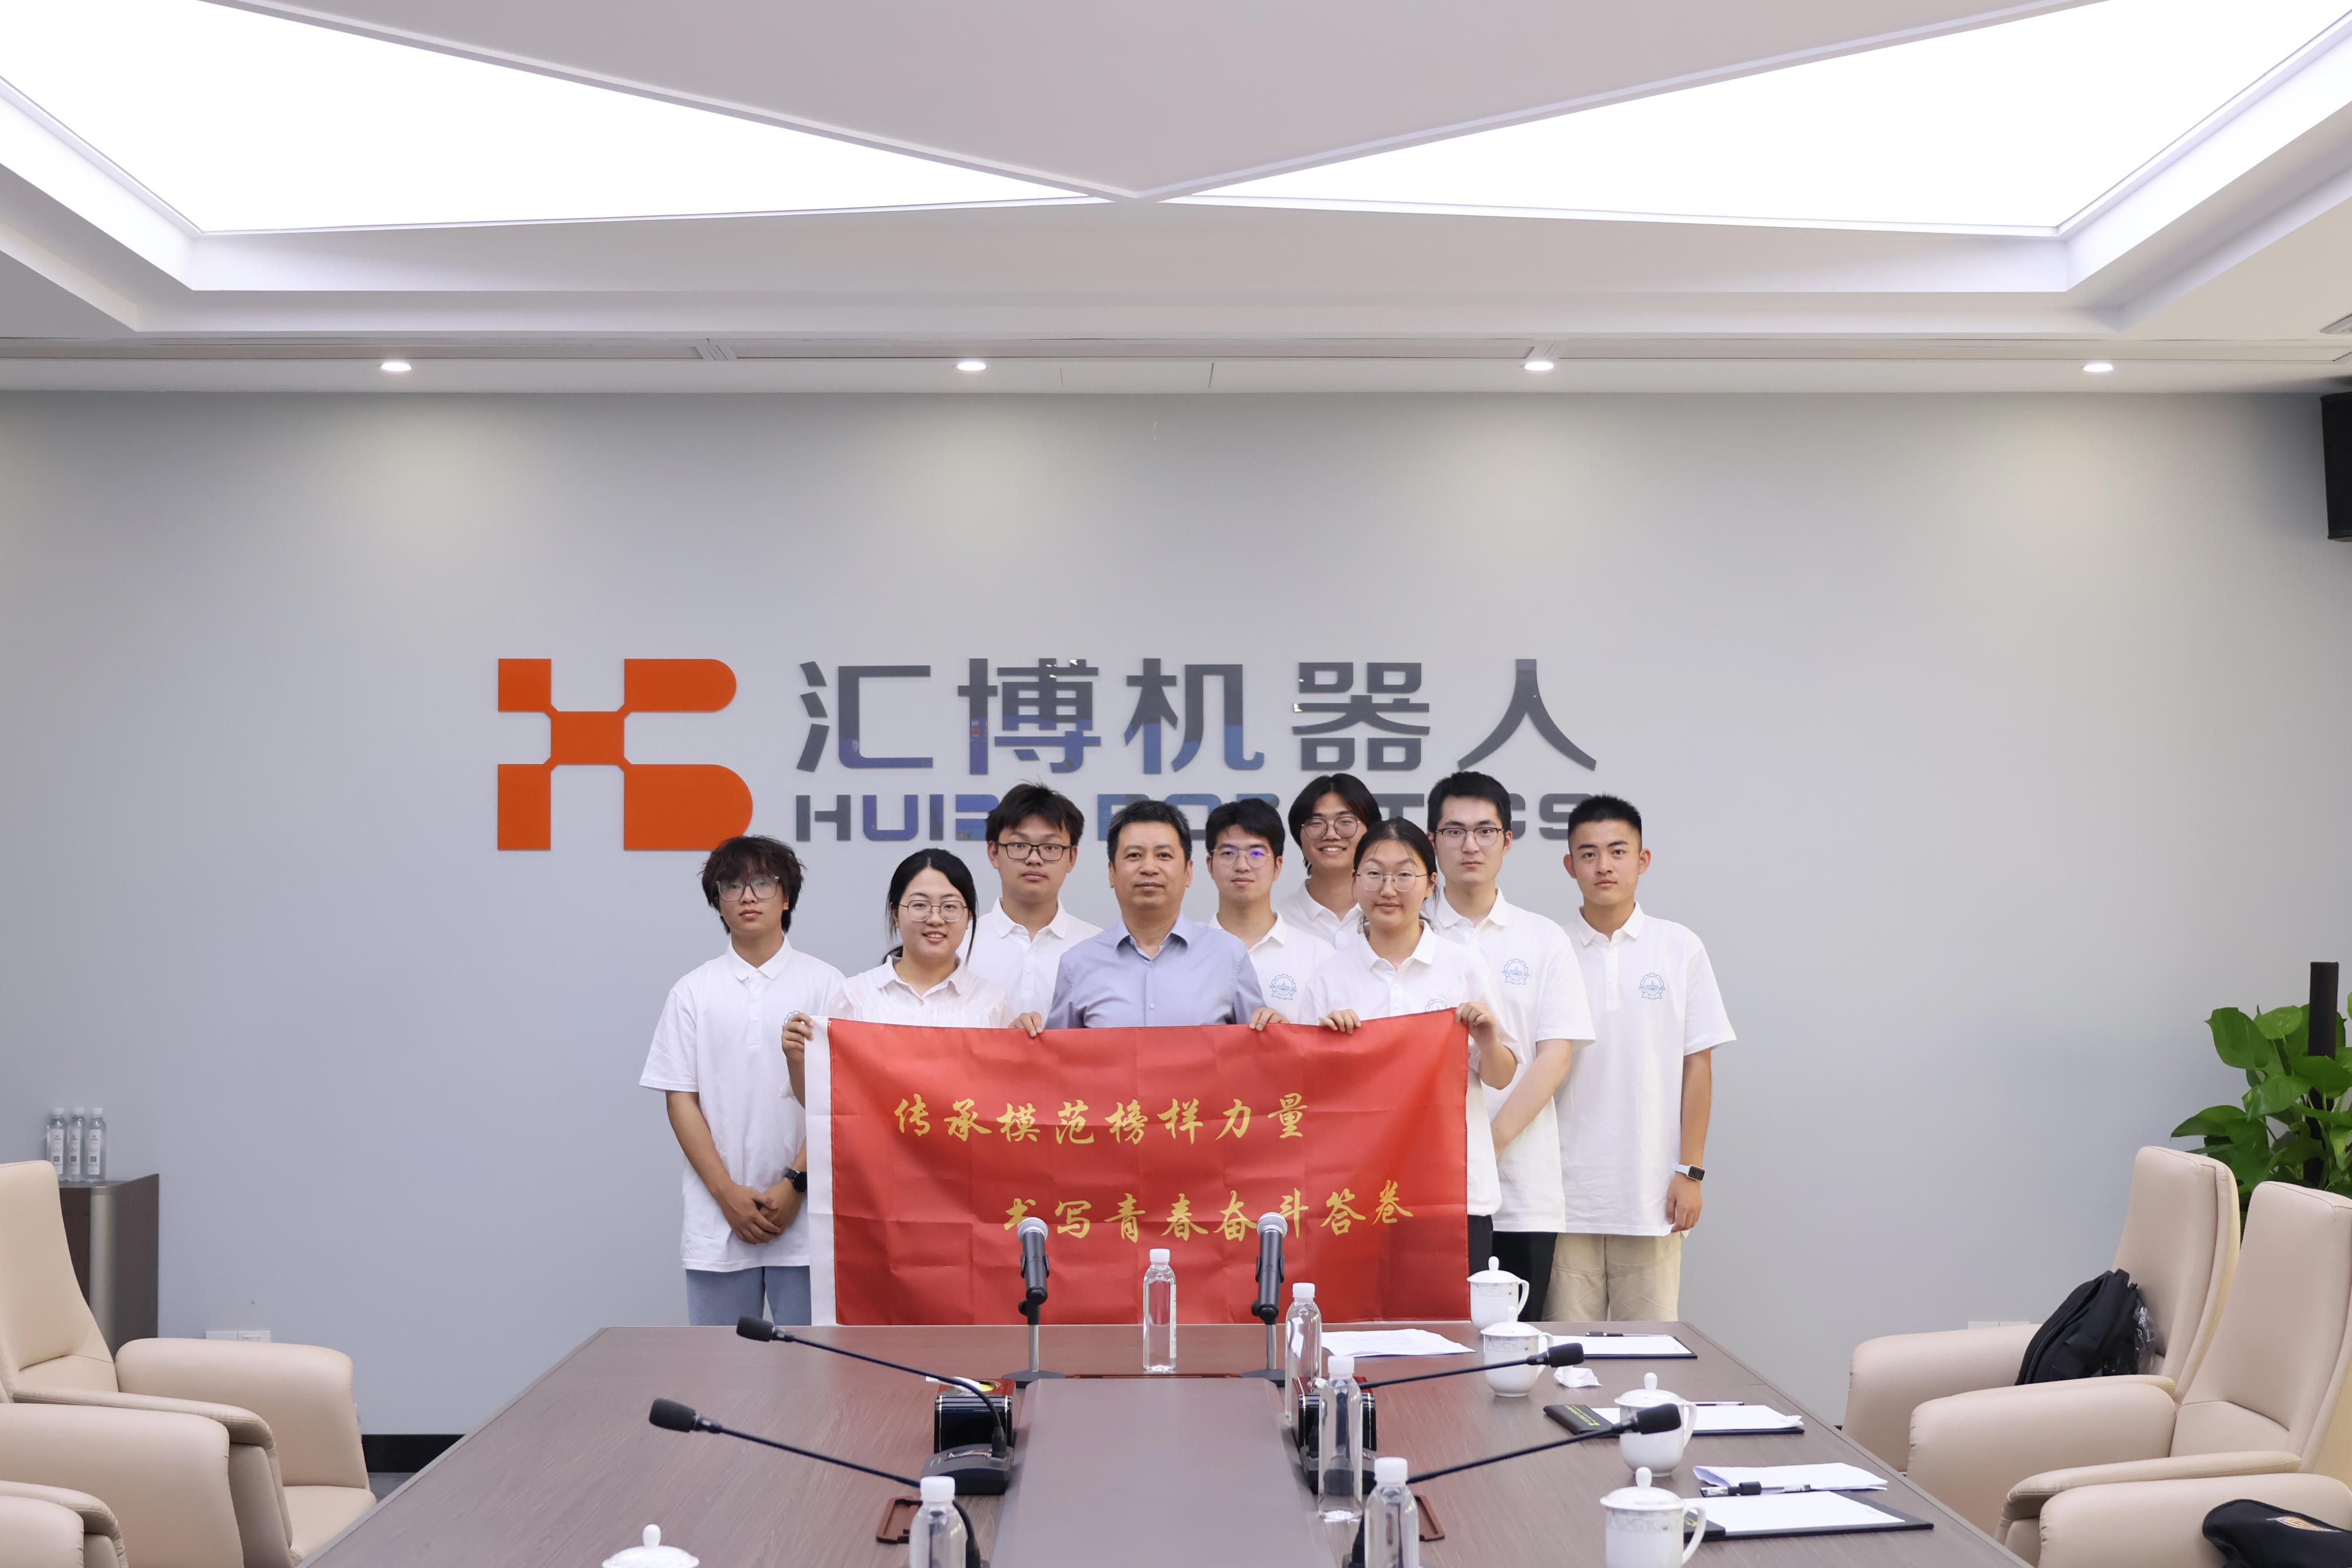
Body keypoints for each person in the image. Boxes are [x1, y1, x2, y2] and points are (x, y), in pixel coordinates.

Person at [1298, 818, 1520, 1273]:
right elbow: (1305, 1097)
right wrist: (1325, 1049)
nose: (1388, 889)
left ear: (1430, 883)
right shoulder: (1330, 977)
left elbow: (1500, 1076)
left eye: (1404, 874)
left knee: (1452, 1320)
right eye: (1374, 873)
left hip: (1454, 1192)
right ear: (1355, 881)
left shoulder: (1463, 967)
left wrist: (1486, 1037)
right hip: (1356, 1193)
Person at [639, 835, 843, 1328]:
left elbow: (842, 1100)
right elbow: (680, 1100)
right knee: (720, 1367)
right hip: (718, 1219)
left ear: (786, 896)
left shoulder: (828, 985)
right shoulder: (693, 992)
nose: (748, 897)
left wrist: (795, 1184)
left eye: (763, 883)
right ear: (718, 901)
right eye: (732, 886)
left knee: (817, 1365)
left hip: (809, 1218)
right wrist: (726, 1192)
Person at [1552, 796, 1734, 1323]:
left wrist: (1690, 1172)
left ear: (1643, 860)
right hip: (1565, 1197)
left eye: (1618, 851)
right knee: (1566, 1355)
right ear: (1570, 866)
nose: (1603, 866)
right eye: (1588, 854)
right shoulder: (1551, 949)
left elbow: (1698, 1065)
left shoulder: (1679, 948)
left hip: (1652, 1193)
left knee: (1649, 1354)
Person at [1425, 770, 1593, 1321]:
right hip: (1423, 1185)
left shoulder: (1542, 938)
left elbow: (1556, 1056)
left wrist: (1487, 1143)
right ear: (1432, 841)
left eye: (1485, 831)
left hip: (1524, 1190)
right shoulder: (1405, 932)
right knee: (1429, 1347)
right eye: (1454, 831)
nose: (1470, 845)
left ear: (1508, 841)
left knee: (1517, 1349)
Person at [1046, 799, 1272, 1029]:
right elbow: (1059, 1051)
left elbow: (1258, 1046)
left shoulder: (1228, 955)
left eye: (1164, 855)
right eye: (1134, 855)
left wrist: (1275, 1029)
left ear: (1188, 872)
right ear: (1112, 872)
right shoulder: (1078, 964)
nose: (1149, 868)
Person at [826, 849, 1015, 1029]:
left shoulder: (992, 1004)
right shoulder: (855, 997)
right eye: (920, 905)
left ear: (969, 918)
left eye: (950, 906)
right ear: (895, 914)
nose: (935, 919)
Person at [967, 783, 1101, 1024]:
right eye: (1019, 845)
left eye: (1050, 847)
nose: (1034, 859)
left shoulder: (1098, 948)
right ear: (994, 853)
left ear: (1072, 858)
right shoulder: (961, 945)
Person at [1203, 796, 1333, 1021]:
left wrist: (1287, 1033)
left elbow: (1334, 1038)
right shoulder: (1188, 954)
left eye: (1256, 854)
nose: (1242, 866)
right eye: (1228, 853)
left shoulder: (1318, 956)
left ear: (1277, 867)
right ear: (1210, 865)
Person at [1275, 773, 1381, 945]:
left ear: (1371, 831)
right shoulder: (1278, 922)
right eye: (1316, 823)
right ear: (1299, 835)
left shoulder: (1392, 915)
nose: (1331, 834)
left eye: (1345, 822)